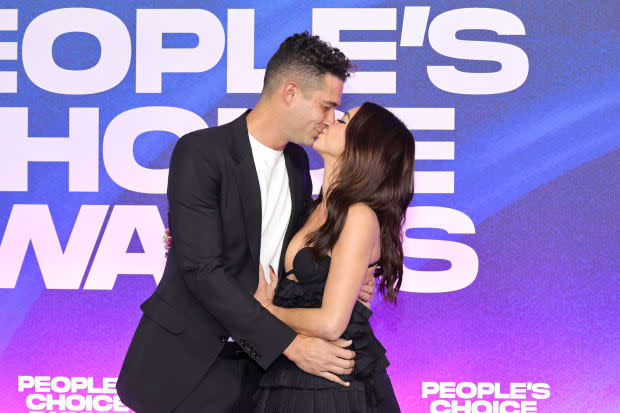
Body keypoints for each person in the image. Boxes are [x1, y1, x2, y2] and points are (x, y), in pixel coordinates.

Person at [116, 32, 377, 413]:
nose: (329, 120)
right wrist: (291, 344)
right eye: (325, 106)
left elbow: (297, 253)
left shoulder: (299, 165)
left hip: (260, 372)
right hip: (187, 362)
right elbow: (203, 270)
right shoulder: (202, 151)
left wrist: (356, 274)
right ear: (290, 92)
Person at [252, 102, 415, 412]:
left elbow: (330, 323)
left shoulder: (359, 216)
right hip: (288, 373)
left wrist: (266, 311)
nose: (329, 121)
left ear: (363, 146)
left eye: (343, 120)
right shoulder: (311, 208)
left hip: (331, 386)